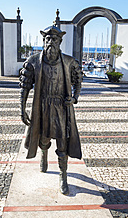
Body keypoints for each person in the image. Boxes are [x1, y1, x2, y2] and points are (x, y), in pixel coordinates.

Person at [19, 25, 83, 195]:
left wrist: (75, 98)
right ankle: (44, 156)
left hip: (62, 107)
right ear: (43, 41)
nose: (51, 43)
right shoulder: (33, 61)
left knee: (63, 142)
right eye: (48, 39)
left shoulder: (69, 62)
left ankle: (63, 176)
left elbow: (78, 80)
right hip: (42, 106)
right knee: (44, 138)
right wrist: (22, 108)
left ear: (60, 42)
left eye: (54, 39)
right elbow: (24, 86)